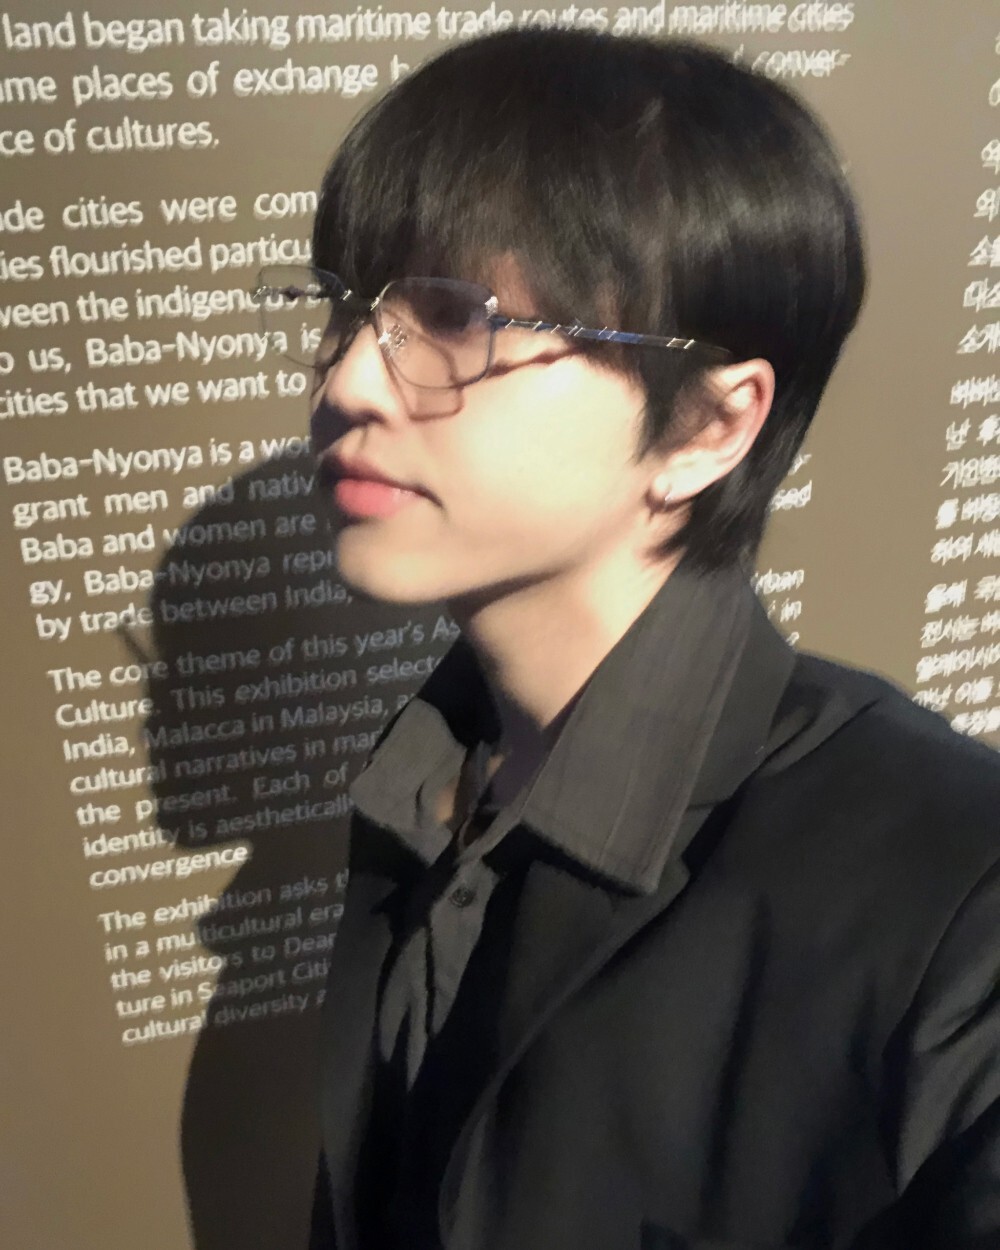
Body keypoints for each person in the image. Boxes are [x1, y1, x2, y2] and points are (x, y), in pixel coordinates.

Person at [257, 28, 1000, 1249]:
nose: (348, 382)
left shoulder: (956, 899)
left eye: (454, 316)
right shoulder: (434, 773)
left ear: (708, 425)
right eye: (351, 309)